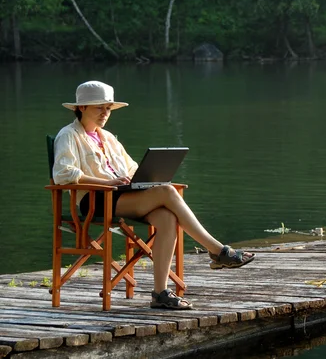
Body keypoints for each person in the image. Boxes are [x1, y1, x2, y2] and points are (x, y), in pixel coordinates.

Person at [53, 80, 255, 310]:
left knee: (167, 219)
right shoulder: (68, 135)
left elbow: (131, 169)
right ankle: (217, 251)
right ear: (82, 108)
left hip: (124, 197)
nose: (105, 113)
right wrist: (107, 181)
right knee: (167, 191)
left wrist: (144, 179)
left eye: (108, 108)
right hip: (95, 200)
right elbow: (63, 174)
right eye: (100, 107)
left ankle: (160, 294)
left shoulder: (108, 138)